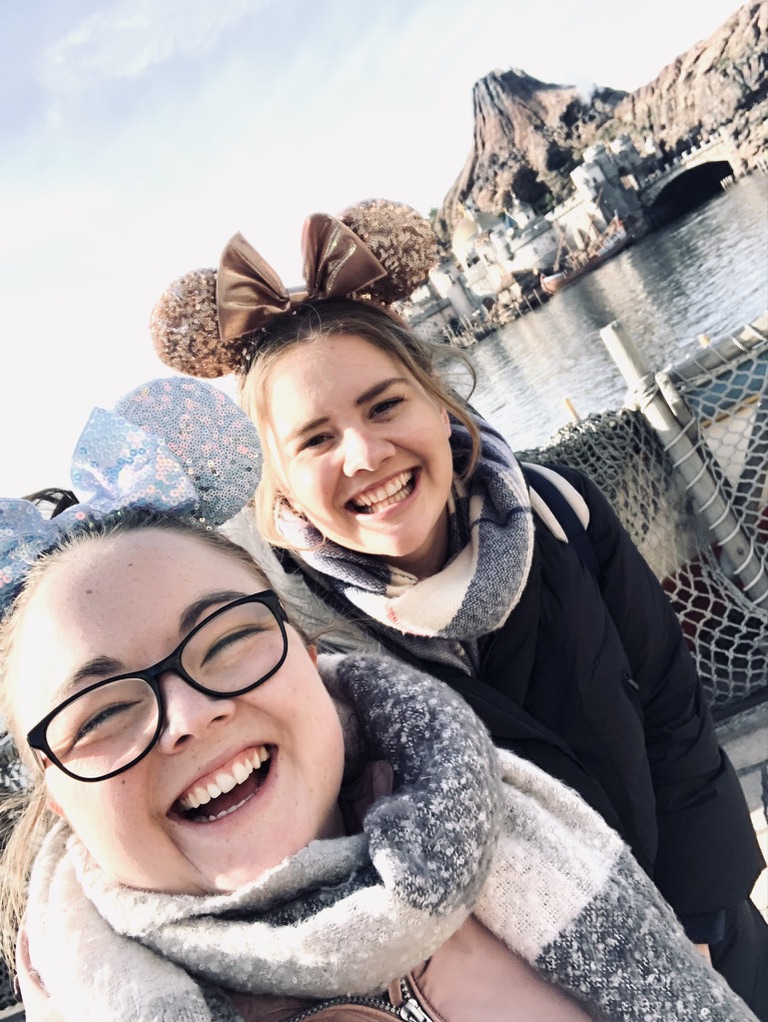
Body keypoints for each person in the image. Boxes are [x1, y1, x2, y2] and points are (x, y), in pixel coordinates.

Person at [149, 199, 768, 1017]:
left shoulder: (559, 513)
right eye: (316, 439)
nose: (365, 456)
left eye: (383, 406)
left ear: (439, 404)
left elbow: (669, 709)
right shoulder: (296, 640)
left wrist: (698, 916)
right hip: (542, 991)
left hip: (709, 924)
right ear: (282, 480)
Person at [0, 381, 756, 1022]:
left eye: (226, 640)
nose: (190, 716)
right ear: (55, 795)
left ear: (308, 654)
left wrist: (705, 913)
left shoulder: (521, 830)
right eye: (100, 713)